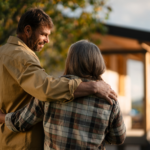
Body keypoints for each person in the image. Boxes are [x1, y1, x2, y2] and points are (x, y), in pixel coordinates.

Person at [0, 8, 117, 150]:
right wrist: (94, 87)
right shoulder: (21, 56)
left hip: (7, 139)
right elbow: (46, 89)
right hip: (23, 143)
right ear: (28, 30)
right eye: (43, 34)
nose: (47, 40)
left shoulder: (3, 52)